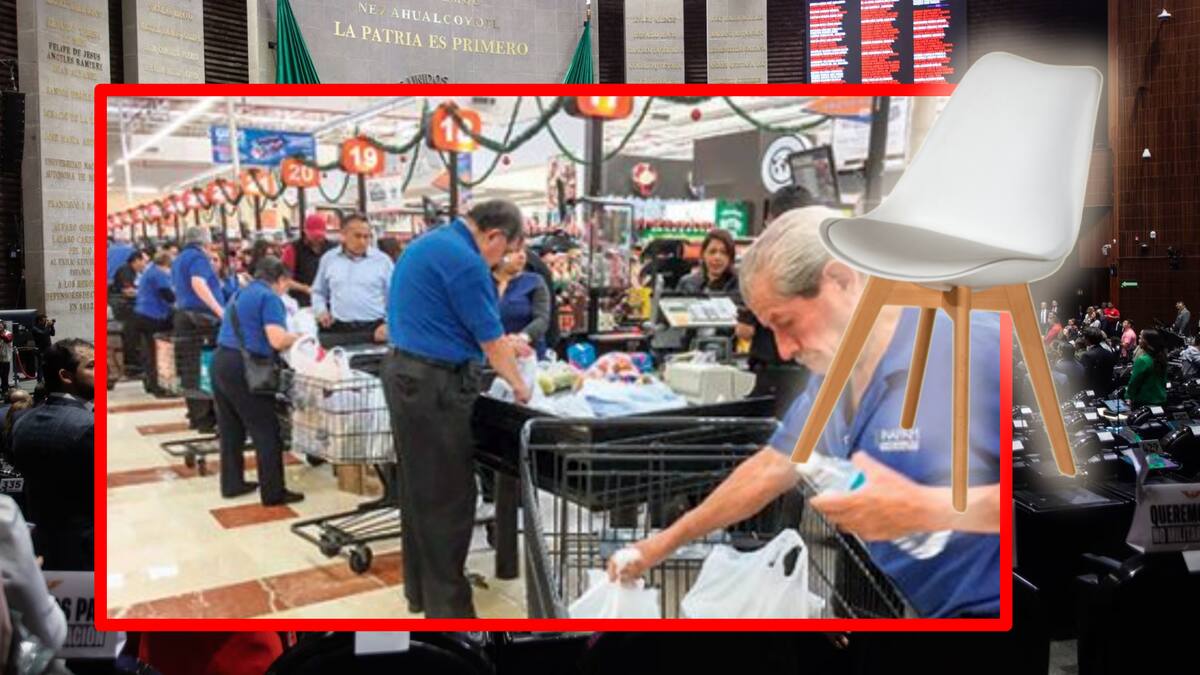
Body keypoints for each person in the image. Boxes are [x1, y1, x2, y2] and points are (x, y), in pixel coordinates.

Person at [610, 207, 1002, 618]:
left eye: (786, 323)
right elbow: (771, 468)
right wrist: (659, 544)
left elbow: (1061, 510)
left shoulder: (976, 352)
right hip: (908, 606)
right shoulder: (836, 380)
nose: (783, 350)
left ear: (842, 281)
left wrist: (923, 507)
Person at [382, 199, 533, 618]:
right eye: (503, 251)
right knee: (449, 498)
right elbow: (490, 341)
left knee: (419, 494)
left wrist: (503, 346)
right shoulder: (465, 262)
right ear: (494, 236)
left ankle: (422, 594)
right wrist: (521, 387)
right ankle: (451, 614)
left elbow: (453, 322)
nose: (500, 260)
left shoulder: (430, 244)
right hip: (434, 386)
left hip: (405, 374)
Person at [212, 257, 303, 506]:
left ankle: (232, 484)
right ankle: (274, 492)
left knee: (231, 429)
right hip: (247, 368)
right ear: (281, 279)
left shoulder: (241, 294)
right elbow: (276, 339)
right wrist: (300, 337)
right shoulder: (270, 298)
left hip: (221, 361)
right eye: (287, 283)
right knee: (266, 429)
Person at [10, 338, 94, 570]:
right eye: (91, 366)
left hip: (43, 549)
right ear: (66, 376)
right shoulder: (88, 426)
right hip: (87, 552)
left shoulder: (22, 422)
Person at [312, 213, 394, 347]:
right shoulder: (328, 259)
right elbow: (318, 292)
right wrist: (321, 310)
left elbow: (396, 297)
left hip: (375, 329)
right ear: (343, 235)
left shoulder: (383, 261)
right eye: (357, 236)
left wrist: (389, 323)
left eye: (366, 237)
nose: (362, 241)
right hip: (339, 329)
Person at [172, 226, 225, 433]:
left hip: (184, 317)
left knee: (190, 368)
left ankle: (197, 417)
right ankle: (207, 418)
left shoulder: (180, 258)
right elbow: (198, 283)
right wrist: (219, 311)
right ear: (206, 242)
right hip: (201, 320)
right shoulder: (199, 257)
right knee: (206, 366)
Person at [494, 246, 551, 356]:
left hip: (529, 354)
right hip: (492, 354)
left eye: (523, 251)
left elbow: (542, 319)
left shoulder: (535, 281)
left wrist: (522, 338)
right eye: (514, 251)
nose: (522, 256)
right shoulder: (484, 281)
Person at [132, 251, 176, 395]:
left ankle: (150, 384)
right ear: (166, 264)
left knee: (149, 352)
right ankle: (159, 387)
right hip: (153, 317)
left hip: (141, 315)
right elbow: (168, 295)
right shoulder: (159, 274)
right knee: (157, 352)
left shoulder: (150, 271)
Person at [677, 229, 740, 296]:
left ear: (731, 257)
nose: (717, 257)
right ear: (703, 254)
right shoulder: (687, 284)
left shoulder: (741, 287)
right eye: (712, 251)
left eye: (724, 252)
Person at [1126, 328, 1169, 408]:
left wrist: (1127, 396)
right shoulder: (1162, 358)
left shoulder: (1143, 360)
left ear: (1147, 342)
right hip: (1161, 401)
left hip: (1144, 402)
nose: (1139, 341)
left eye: (1141, 338)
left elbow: (1133, 383)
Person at [1078, 327, 1118, 395]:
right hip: (1106, 391)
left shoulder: (1087, 355)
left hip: (1091, 392)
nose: (1083, 339)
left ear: (1087, 339)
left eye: (1084, 337)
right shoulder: (1108, 353)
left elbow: (1084, 377)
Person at [30, 314, 55, 383]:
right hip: (41, 350)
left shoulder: (45, 327)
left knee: (49, 365)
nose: (46, 321)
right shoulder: (35, 328)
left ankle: (48, 380)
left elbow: (53, 334)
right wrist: (48, 326)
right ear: (39, 321)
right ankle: (40, 381)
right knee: (41, 366)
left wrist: (52, 326)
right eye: (44, 320)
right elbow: (43, 334)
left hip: (48, 349)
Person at [0, 323, 11, 395]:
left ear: (3, 326)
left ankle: (5, 390)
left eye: (0, 325)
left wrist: (1, 334)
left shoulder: (8, 333)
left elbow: (7, 339)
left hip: (5, 358)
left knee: (4, 375)